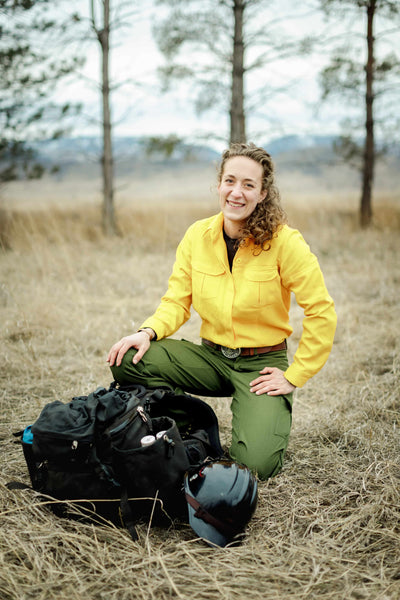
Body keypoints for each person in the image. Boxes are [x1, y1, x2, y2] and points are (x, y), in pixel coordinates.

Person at [107, 142, 337, 480]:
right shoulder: (197, 236)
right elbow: (176, 299)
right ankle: (193, 423)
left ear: (262, 193)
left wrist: (294, 375)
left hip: (260, 367)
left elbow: (321, 310)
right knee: (128, 358)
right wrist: (147, 332)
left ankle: (256, 419)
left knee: (255, 467)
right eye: (230, 181)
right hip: (211, 359)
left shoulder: (285, 242)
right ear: (219, 185)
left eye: (248, 185)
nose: (237, 192)